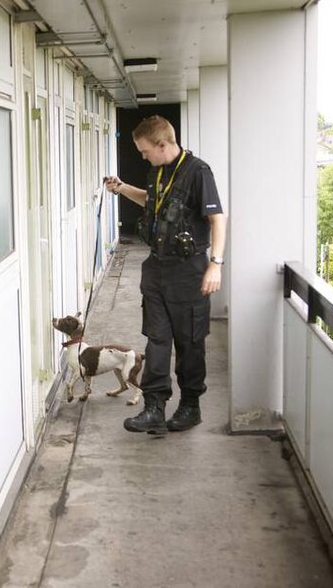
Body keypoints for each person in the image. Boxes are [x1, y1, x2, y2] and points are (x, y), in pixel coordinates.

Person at [103, 115, 226, 434]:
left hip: (189, 272)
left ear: (162, 144)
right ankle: (154, 407)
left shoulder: (198, 172)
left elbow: (217, 219)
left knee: (189, 342)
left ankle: (190, 406)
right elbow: (151, 202)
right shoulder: (157, 172)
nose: (142, 156)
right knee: (157, 340)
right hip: (156, 269)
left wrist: (216, 263)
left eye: (144, 150)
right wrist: (121, 188)